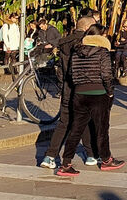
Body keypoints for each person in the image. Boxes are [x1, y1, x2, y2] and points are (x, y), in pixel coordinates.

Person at [56, 24, 125, 176]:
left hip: (79, 94)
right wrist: (110, 92)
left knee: (76, 129)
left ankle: (66, 163)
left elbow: (72, 75)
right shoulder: (103, 52)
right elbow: (107, 75)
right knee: (102, 129)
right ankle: (106, 160)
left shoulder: (76, 52)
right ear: (100, 36)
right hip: (98, 93)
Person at [39, 17, 97, 169]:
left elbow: (60, 69)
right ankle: (90, 155)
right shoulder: (86, 42)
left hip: (67, 87)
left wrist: (62, 85)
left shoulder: (64, 42)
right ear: (87, 28)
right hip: (83, 88)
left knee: (64, 123)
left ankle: (50, 156)